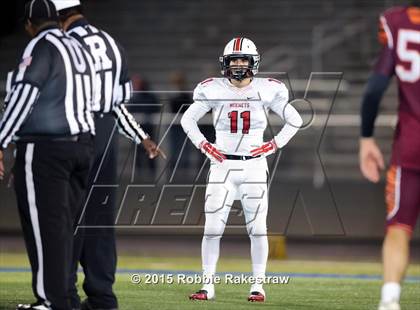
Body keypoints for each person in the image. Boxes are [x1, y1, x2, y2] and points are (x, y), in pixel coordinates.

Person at [50, 1, 165, 309]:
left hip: (73, 130)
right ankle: (102, 297)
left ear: (58, 16)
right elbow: (117, 101)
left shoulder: (63, 42)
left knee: (68, 219)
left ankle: (65, 296)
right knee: (99, 222)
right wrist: (142, 136)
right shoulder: (111, 41)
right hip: (105, 134)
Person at [181, 37, 302, 302]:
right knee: (212, 228)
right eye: (233, 60)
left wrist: (272, 145)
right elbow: (187, 119)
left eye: (242, 60)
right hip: (222, 165)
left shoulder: (267, 89)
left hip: (254, 167)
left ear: (253, 63)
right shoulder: (212, 88)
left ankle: (258, 286)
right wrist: (204, 144)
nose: (237, 64)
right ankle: (207, 286)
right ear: (225, 63)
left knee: (258, 228)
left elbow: (295, 119)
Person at [0, 1, 97, 309]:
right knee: (63, 227)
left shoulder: (42, 45)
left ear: (29, 24)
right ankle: (64, 297)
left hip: (47, 148)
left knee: (44, 228)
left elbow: (25, 93)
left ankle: (52, 300)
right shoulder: (77, 46)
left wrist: (1, 141)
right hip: (83, 144)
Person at [359, 2, 420, 310]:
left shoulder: (399, 22)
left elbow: (374, 89)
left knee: (399, 227)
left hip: (411, 144)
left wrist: (366, 137)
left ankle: (390, 300)